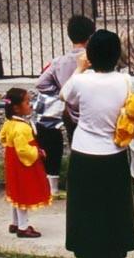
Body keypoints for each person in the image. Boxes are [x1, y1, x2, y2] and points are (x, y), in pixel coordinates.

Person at [60, 29, 134, 258]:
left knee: (85, 203)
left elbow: (65, 96)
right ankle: (115, 246)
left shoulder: (81, 81)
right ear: (117, 55)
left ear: (91, 54)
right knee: (113, 202)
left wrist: (80, 67)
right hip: (114, 149)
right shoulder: (125, 80)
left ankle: (85, 246)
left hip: (84, 149)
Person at [35, 15, 96, 199]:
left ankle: (77, 187)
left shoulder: (59, 61)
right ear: (90, 36)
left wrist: (60, 92)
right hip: (90, 110)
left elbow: (41, 83)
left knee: (75, 148)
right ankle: (92, 187)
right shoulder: (92, 59)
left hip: (69, 112)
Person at [0, 88, 51, 238]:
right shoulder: (22, 127)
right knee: (23, 192)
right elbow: (23, 150)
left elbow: (2, 138)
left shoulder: (9, 123)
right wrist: (37, 152)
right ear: (16, 107)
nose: (31, 105)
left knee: (15, 192)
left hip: (12, 162)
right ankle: (23, 226)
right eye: (27, 102)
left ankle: (15, 222)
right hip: (23, 165)